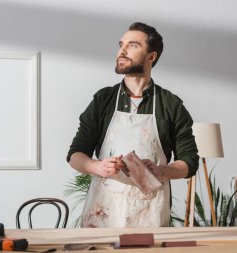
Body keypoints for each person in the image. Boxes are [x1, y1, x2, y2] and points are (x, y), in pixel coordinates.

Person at [66, 22, 199, 228]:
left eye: (133, 45)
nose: (122, 50)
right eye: (121, 44)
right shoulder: (103, 100)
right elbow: (76, 155)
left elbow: (189, 162)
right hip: (103, 213)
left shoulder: (171, 104)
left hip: (150, 214)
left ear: (151, 56)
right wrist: (98, 166)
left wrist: (160, 171)